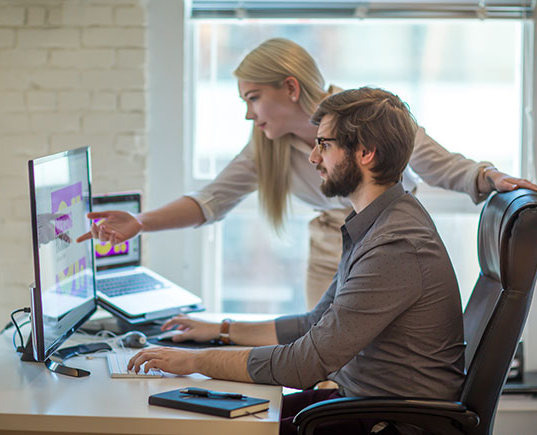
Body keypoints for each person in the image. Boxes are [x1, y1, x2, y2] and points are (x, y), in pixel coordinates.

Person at [77, 38, 537, 309]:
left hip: (386, 240)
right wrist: (139, 223)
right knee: (326, 365)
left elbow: (436, 161)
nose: (247, 114)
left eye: (252, 98)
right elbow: (211, 201)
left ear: (290, 88)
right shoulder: (267, 147)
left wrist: (488, 177)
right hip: (327, 246)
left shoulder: (361, 115)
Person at [127, 87, 465, 435]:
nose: (313, 157)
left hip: (391, 422)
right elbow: (313, 324)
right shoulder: (377, 221)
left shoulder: (394, 245)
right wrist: (223, 331)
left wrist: (195, 362)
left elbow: (306, 364)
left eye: (325, 144)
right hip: (361, 402)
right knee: (208, 416)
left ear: (365, 153)